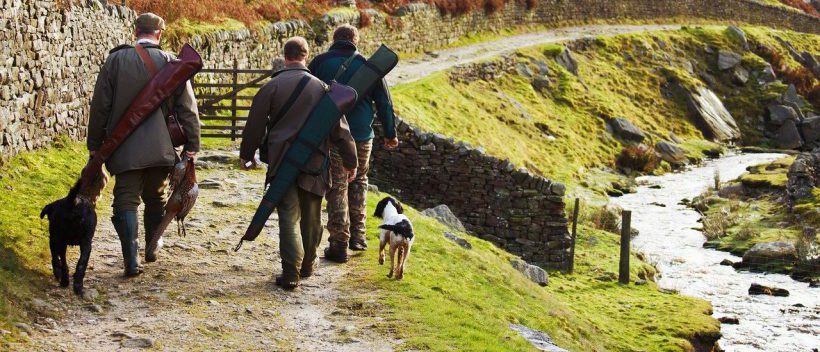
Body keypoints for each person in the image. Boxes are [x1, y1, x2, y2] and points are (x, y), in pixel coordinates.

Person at [87, 13, 201, 277]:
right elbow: (188, 109)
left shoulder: (115, 61)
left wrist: (95, 146)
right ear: (159, 34)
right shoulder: (172, 63)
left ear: (135, 32)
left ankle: (131, 260)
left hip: (123, 148)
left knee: (125, 200)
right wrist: (192, 145)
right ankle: (152, 247)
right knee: (156, 196)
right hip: (161, 148)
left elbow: (100, 106)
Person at [240, 37, 358, 289]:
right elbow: (341, 130)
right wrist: (351, 161)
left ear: (285, 56)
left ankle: (291, 272)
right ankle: (307, 265)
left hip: (281, 162)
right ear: (306, 56)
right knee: (312, 217)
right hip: (315, 163)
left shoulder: (271, 87)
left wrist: (247, 154)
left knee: (288, 217)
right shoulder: (323, 89)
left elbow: (254, 126)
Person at [309, 24, 399, 262]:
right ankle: (358, 237)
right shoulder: (369, 66)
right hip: (361, 135)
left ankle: (339, 242)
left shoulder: (319, 63)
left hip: (332, 134)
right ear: (355, 41)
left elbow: (307, 95)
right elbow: (385, 104)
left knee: (337, 185)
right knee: (359, 181)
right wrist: (390, 134)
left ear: (334, 39)